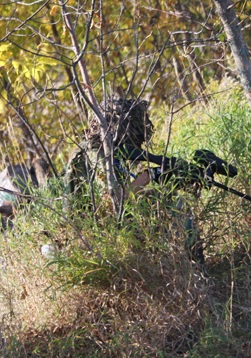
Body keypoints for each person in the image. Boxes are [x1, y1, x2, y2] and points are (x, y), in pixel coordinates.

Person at [64, 97, 204, 261]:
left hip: (99, 229)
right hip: (91, 238)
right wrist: (151, 175)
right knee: (167, 200)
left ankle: (171, 265)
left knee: (155, 196)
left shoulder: (102, 149)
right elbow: (113, 200)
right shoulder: (97, 152)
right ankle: (195, 267)